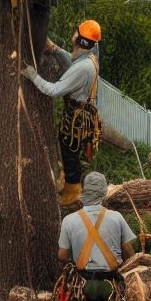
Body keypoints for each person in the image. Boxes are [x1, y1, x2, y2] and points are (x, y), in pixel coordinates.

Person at [22, 20, 102, 208]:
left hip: (77, 117)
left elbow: (54, 90)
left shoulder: (84, 68)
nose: (74, 34)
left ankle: (73, 194)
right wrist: (55, 49)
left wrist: (32, 75)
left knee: (70, 152)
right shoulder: (88, 58)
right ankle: (69, 188)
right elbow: (72, 62)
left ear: (82, 42)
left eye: (77, 33)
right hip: (80, 113)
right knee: (68, 150)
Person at [54, 171, 135, 301]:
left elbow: (61, 255)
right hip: (109, 286)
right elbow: (130, 252)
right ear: (104, 192)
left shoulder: (70, 220)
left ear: (83, 191)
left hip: (79, 286)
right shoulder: (117, 218)